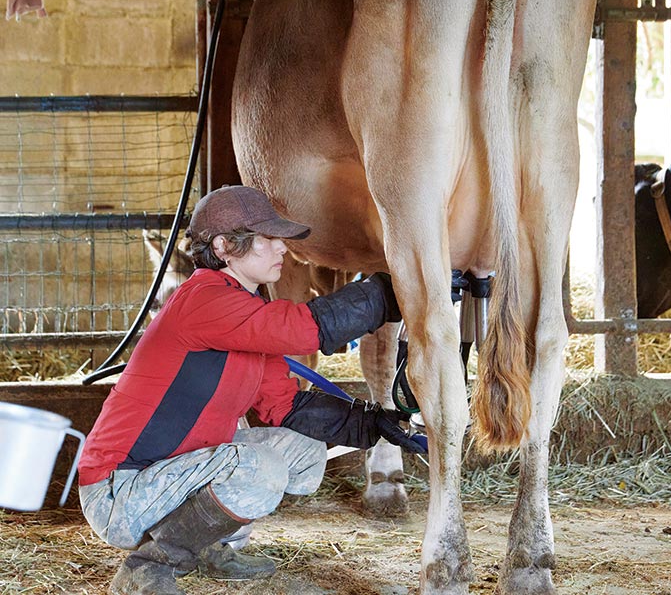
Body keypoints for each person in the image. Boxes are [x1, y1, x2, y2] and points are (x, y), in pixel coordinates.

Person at [77, 185, 425, 595]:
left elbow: (285, 405)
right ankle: (147, 566)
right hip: (121, 490)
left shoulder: (245, 310)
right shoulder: (203, 299)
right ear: (225, 246)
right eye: (269, 238)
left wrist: (373, 426)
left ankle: (210, 544)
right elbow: (302, 329)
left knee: (304, 448)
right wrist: (393, 291)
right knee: (260, 468)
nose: (283, 249)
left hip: (171, 474)